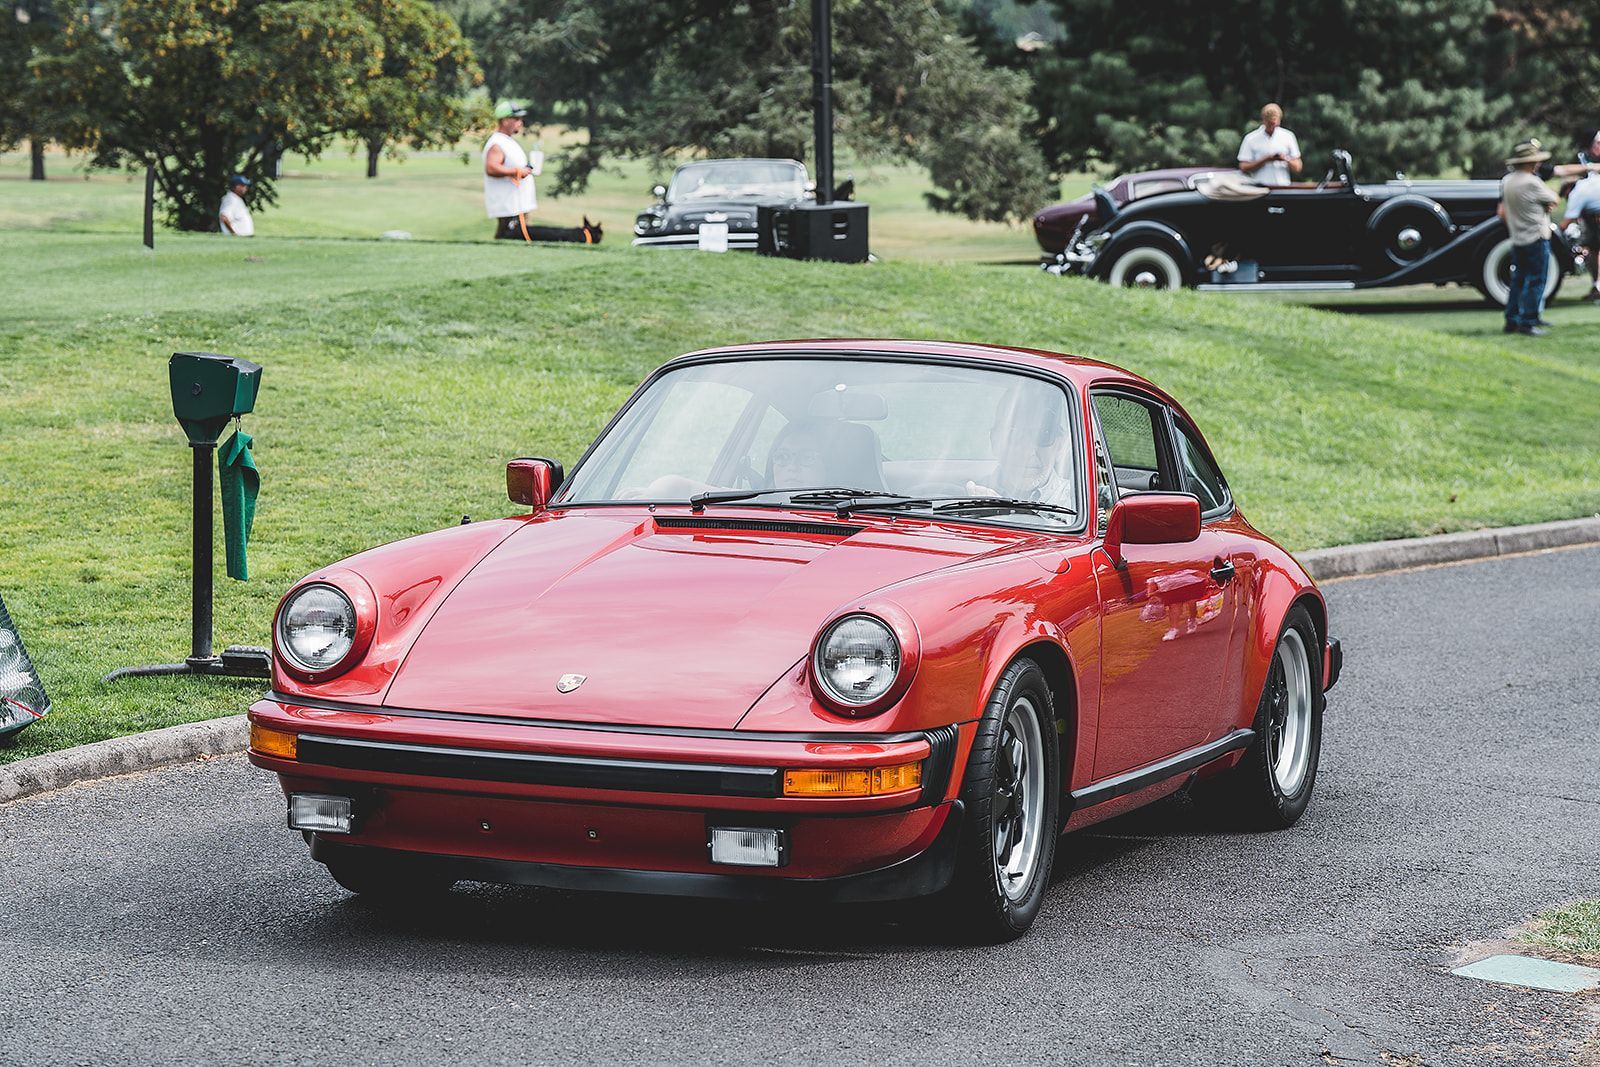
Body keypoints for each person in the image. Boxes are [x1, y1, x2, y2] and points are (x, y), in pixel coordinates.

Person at [968, 388, 1073, 503]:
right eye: (1015, 436)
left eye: (1043, 436)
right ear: (995, 441)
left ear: (1060, 446)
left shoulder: (1078, 502)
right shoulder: (967, 499)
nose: (1028, 452)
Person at [1499, 139, 1559, 336]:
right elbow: (1554, 199)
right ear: (1529, 162)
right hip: (1536, 237)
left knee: (1518, 280)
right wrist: (1545, 206)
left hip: (1517, 237)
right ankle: (1529, 320)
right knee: (1536, 280)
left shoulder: (1507, 181)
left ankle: (1512, 319)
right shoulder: (1532, 182)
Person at [483, 100, 543, 240]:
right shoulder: (497, 143)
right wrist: (516, 172)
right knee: (509, 239)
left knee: (512, 240)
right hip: (509, 205)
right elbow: (491, 168)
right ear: (504, 121)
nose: (520, 122)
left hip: (517, 205)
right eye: (516, 118)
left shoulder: (507, 141)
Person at [1237, 103, 1302, 186]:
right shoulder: (1251, 138)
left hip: (1282, 186)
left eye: (1274, 124)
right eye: (1269, 124)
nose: (1272, 128)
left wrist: (1284, 158)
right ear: (1263, 120)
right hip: (1259, 188)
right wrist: (1265, 159)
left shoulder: (1288, 136)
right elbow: (1243, 167)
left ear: (1279, 120)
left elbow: (1298, 167)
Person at [1561, 165, 1600, 302]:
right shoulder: (1586, 186)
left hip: (1597, 216)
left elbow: (1566, 222)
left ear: (1568, 189)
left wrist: (1553, 235)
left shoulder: (1578, 191)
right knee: (1593, 250)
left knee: (1595, 250)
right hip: (1594, 217)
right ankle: (1597, 286)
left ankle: (1598, 287)